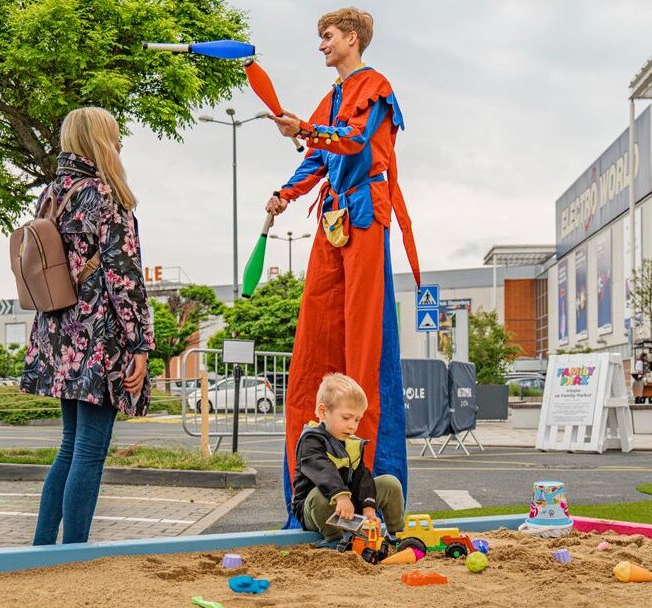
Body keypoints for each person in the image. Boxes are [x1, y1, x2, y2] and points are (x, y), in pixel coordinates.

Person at [265, 7, 419, 524]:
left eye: (327, 37)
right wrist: (285, 194)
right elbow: (318, 156)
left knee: (363, 342)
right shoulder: (330, 97)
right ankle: (309, 492)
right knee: (314, 333)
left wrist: (307, 128)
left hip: (365, 214)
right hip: (332, 217)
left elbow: (351, 141)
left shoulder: (375, 86)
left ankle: (372, 486)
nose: (321, 45)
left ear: (352, 38)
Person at [20, 107, 155, 545]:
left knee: (70, 445)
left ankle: (42, 547)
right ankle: (73, 552)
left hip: (58, 335)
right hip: (99, 338)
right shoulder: (106, 196)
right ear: (100, 141)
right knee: (90, 450)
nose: (119, 144)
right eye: (114, 136)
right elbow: (124, 276)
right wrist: (139, 344)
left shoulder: (52, 193)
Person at [291, 373, 404, 546]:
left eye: (357, 419)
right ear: (323, 412)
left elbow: (362, 477)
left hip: (347, 507)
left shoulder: (351, 443)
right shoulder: (310, 440)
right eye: (346, 417)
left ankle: (395, 535)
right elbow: (323, 470)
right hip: (316, 511)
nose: (352, 425)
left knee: (390, 483)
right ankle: (335, 540)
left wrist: (368, 505)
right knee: (319, 497)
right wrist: (341, 497)